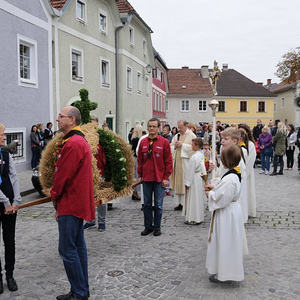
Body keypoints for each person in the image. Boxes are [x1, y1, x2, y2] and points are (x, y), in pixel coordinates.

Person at [51, 106, 95, 300]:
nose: (58, 119)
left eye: (61, 116)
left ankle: (79, 292)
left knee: (68, 250)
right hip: (75, 201)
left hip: (70, 202)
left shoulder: (74, 143)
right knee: (77, 248)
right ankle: (81, 289)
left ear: (72, 120)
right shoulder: (75, 140)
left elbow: (63, 176)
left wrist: (54, 195)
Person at [205, 145, 248, 283]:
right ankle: (222, 270)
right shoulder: (233, 173)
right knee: (226, 242)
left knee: (225, 242)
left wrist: (210, 194)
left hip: (226, 213)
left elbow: (222, 198)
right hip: (230, 212)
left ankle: (225, 273)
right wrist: (215, 188)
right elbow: (224, 190)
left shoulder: (231, 178)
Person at [137, 118, 173, 236]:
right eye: (150, 126)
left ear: (158, 128)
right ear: (147, 128)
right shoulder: (143, 142)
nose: (151, 128)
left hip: (159, 179)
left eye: (154, 126)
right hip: (146, 178)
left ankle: (157, 227)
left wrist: (166, 178)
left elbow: (168, 162)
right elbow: (140, 161)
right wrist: (140, 175)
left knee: (158, 204)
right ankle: (148, 226)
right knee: (146, 204)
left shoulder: (164, 142)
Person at [0, 123, 21, 293]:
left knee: (10, 241)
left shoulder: (6, 153)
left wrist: (16, 201)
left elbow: (13, 176)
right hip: (2, 203)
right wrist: (6, 201)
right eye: (2, 134)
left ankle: (10, 275)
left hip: (10, 206)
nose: (4, 137)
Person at [83, 116, 107, 232]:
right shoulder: (84, 138)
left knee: (101, 198)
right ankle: (90, 220)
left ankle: (102, 222)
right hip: (87, 174)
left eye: (94, 124)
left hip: (100, 173)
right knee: (88, 199)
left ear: (97, 124)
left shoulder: (102, 138)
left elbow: (106, 156)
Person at [170, 120, 196, 211]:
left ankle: (185, 203)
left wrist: (183, 145)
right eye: (178, 127)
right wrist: (175, 147)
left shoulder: (192, 135)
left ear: (186, 126)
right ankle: (179, 203)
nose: (179, 129)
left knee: (184, 182)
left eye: (180, 127)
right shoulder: (177, 136)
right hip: (177, 161)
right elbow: (171, 146)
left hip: (186, 162)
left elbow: (194, 148)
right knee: (178, 183)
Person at [183, 138, 207, 225]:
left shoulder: (194, 157)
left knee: (193, 198)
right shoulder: (201, 154)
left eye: (192, 144)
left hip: (193, 178)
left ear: (197, 146)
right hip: (198, 178)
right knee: (198, 198)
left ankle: (193, 218)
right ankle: (198, 217)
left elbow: (190, 171)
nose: (191, 146)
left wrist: (187, 183)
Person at [238, 124, 257, 218]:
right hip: (239, 172)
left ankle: (248, 210)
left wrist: (245, 173)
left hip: (246, 172)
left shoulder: (250, 144)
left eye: (243, 131)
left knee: (248, 191)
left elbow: (251, 160)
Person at [130, 125, 143, 201]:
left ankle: (134, 192)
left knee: (134, 176)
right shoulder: (137, 139)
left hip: (133, 158)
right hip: (136, 158)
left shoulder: (132, 138)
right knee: (137, 176)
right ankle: (135, 193)